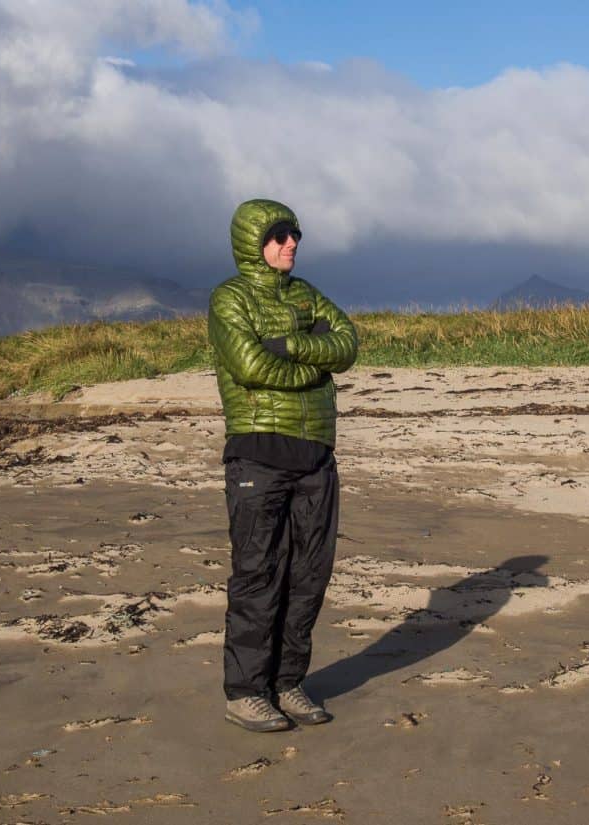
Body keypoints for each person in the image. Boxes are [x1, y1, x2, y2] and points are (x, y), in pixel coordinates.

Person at [207, 198, 358, 732]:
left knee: (309, 575)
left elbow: (346, 344)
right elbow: (249, 366)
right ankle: (246, 692)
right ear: (253, 243)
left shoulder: (307, 295)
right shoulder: (229, 299)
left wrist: (291, 345)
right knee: (258, 575)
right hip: (258, 454)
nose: (291, 243)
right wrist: (311, 371)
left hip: (317, 455)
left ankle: (288, 683)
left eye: (294, 234)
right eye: (278, 236)